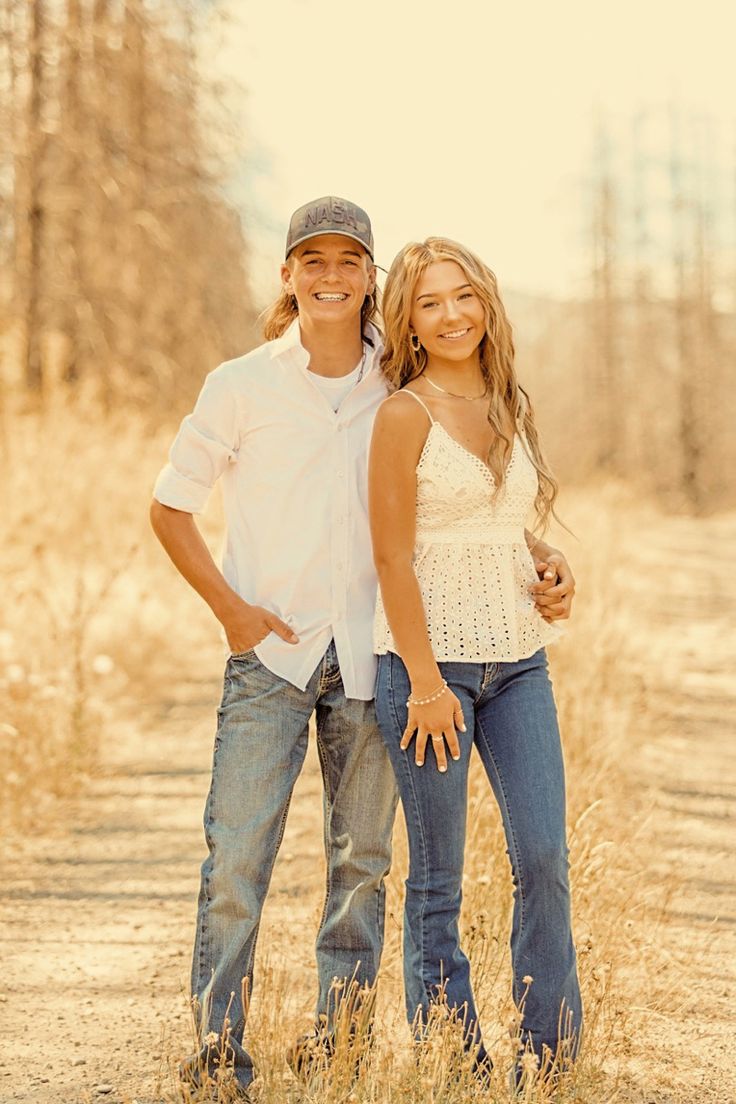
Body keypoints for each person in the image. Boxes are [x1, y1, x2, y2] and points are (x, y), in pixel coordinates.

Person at [151, 201, 575, 1099]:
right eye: (315, 260)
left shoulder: (406, 375)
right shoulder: (242, 384)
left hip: (372, 652)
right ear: (289, 274)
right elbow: (169, 505)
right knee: (236, 858)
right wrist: (231, 611)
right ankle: (219, 1049)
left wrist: (537, 556)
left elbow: (468, 510)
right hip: (276, 655)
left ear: (370, 276)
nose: (332, 276)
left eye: (351, 261)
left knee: (363, 863)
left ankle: (336, 1040)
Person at [369, 237, 582, 1087]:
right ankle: (455, 1062)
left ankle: (550, 1052)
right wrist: (423, 683)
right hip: (431, 674)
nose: (451, 313)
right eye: (429, 302)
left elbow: (493, 522)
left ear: (485, 303)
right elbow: (392, 556)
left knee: (542, 857)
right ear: (410, 324)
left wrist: (549, 562)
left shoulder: (505, 401)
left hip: (519, 664)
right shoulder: (402, 415)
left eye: (462, 296)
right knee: (438, 878)